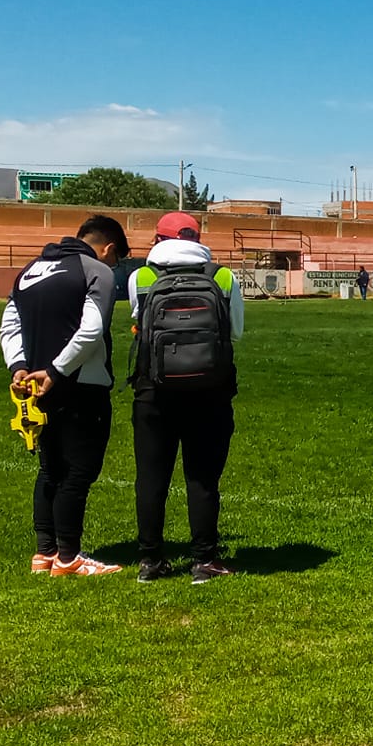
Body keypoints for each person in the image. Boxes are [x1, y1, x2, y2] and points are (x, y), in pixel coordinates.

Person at [0, 215, 131, 576]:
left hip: (37, 388)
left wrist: (19, 366)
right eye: (115, 261)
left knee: (50, 469)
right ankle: (70, 557)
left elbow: (9, 324)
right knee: (78, 471)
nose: (113, 267)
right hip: (80, 385)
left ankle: (45, 553)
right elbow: (92, 329)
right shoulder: (96, 271)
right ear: (110, 249)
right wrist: (58, 371)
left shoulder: (29, 270)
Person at [126, 211, 244, 582]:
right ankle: (204, 561)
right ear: (197, 238)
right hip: (210, 390)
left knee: (151, 478)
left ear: (160, 240)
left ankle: (150, 561)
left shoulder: (142, 276)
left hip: (154, 390)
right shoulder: (222, 277)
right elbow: (236, 332)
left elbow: (139, 323)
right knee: (203, 477)